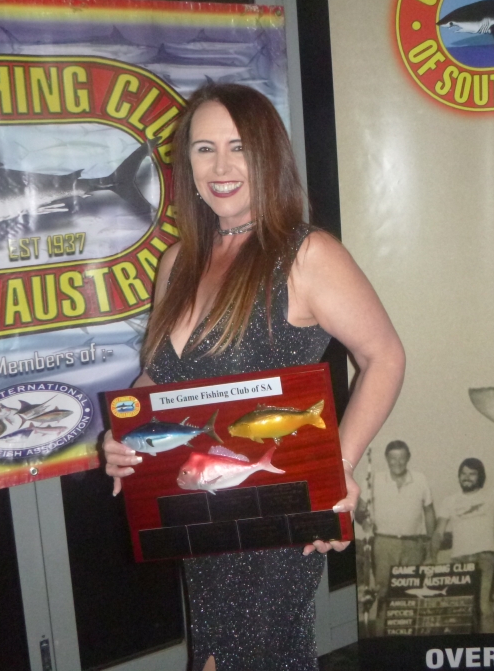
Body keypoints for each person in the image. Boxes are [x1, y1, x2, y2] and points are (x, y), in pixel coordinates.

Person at [102, 83, 406, 671]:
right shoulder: (177, 262)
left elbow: (385, 357)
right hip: (200, 510)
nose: (220, 167)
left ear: (268, 155)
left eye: (238, 147)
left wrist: (336, 469)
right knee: (217, 654)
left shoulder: (306, 254)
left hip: (277, 513)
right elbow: (158, 376)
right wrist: (127, 435)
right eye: (204, 149)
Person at [366, 440, 437, 634]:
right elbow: (360, 510)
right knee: (383, 593)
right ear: (386, 459)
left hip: (413, 544)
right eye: (393, 458)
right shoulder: (374, 479)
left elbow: (429, 512)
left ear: (408, 458)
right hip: (384, 544)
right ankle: (382, 638)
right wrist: (362, 517)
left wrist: (430, 542)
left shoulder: (420, 479)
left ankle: (408, 637)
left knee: (411, 592)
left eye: (402, 458)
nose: (397, 462)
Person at [435, 458, 494, 633]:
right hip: (458, 560)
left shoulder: (492, 495)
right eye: (463, 473)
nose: (467, 477)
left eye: (472, 474)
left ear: (480, 476)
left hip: (484, 558)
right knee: (459, 609)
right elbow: (439, 532)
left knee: (484, 608)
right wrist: (432, 556)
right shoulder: (450, 501)